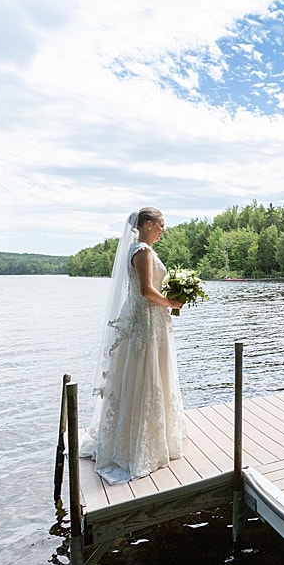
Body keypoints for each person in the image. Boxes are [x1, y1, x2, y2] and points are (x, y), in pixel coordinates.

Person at [80, 207, 187, 484]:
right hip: (147, 322)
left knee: (144, 376)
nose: (164, 229)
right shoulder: (142, 252)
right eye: (161, 224)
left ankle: (147, 435)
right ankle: (138, 445)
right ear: (148, 224)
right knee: (145, 375)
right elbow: (146, 291)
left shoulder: (139, 250)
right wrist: (172, 302)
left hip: (148, 320)